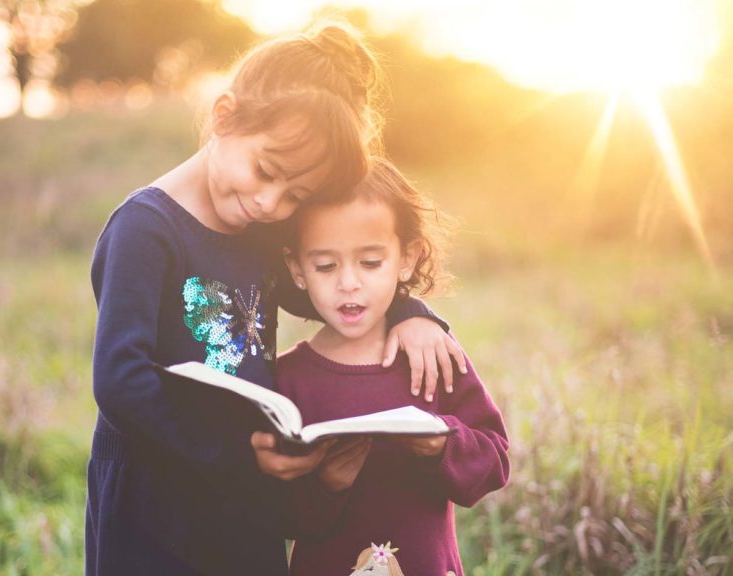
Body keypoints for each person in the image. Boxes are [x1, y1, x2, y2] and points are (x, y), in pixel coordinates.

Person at [86, 23, 466, 576]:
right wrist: (239, 452)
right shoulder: (146, 229)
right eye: (266, 171)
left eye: (296, 195)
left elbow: (333, 295)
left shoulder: (260, 231)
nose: (269, 202)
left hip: (246, 487)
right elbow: (120, 381)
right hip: (157, 491)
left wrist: (413, 313)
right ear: (223, 116)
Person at [278, 158, 510, 576]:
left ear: (407, 258)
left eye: (370, 263)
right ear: (296, 268)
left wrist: (442, 444)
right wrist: (325, 483)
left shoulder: (432, 354)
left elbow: (494, 463)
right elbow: (277, 515)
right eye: (325, 266)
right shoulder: (288, 379)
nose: (348, 282)